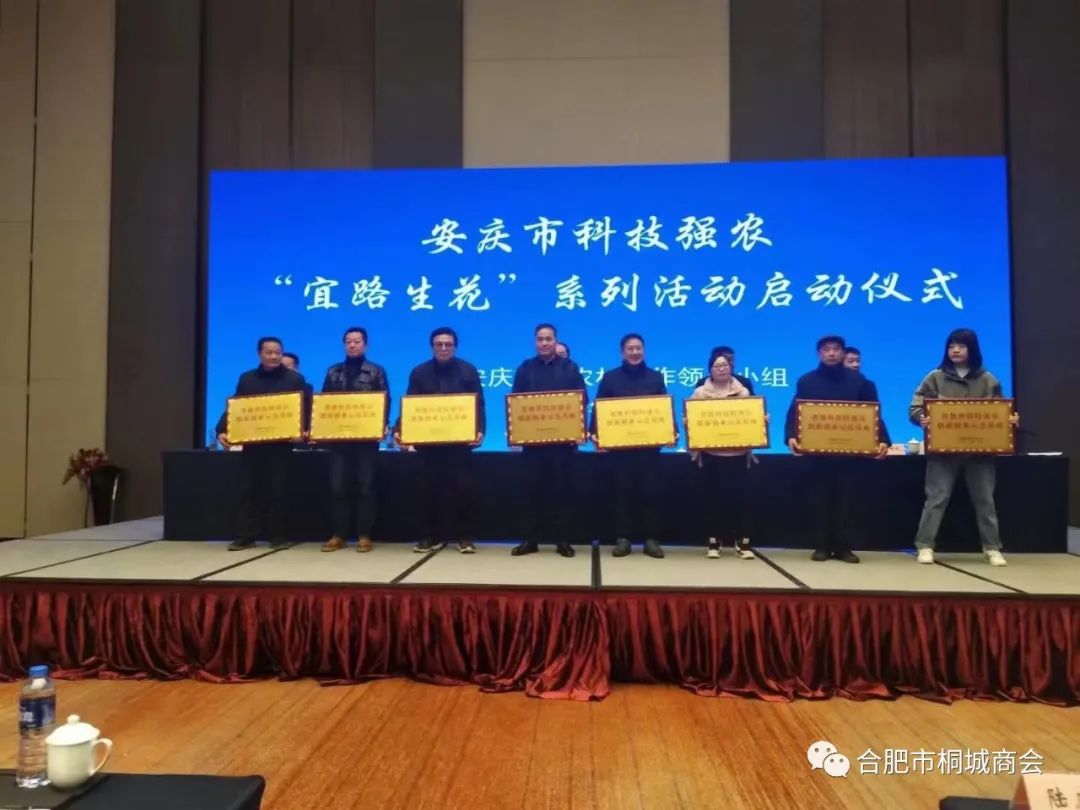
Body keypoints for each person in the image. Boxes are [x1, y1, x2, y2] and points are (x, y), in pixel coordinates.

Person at [909, 329, 1018, 566]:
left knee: (985, 501)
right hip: (943, 453)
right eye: (951, 346)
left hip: (980, 453)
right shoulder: (935, 377)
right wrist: (921, 418)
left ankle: (992, 548)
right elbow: (915, 408)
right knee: (936, 500)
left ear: (972, 349)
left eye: (961, 346)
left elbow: (1001, 410)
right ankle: (925, 546)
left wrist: (1009, 420)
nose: (955, 350)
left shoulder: (988, 379)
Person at [784, 335, 890, 564]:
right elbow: (795, 412)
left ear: (843, 353)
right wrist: (791, 435)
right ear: (819, 353)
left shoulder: (860, 382)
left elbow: (873, 414)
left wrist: (882, 439)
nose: (831, 353)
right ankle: (821, 546)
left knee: (847, 500)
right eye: (826, 349)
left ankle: (844, 547)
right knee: (819, 500)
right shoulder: (807, 381)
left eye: (835, 349)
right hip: (817, 454)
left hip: (848, 455)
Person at [395, 327, 485, 554]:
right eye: (439, 344)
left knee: (463, 491)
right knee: (428, 491)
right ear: (432, 346)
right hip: (429, 444)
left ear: (455, 347)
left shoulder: (468, 370)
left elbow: (479, 404)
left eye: (448, 344)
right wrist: (399, 429)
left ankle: (465, 537)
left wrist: (480, 430)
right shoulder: (419, 372)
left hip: (459, 443)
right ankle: (429, 537)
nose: (443, 348)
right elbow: (411, 404)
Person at [216, 337, 308, 551]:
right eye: (269, 352)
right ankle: (245, 536)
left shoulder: (294, 379)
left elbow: (305, 407)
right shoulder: (247, 379)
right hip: (253, 445)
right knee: (248, 491)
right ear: (260, 354)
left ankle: (278, 536)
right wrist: (222, 429)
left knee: (279, 491)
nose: (274, 356)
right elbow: (236, 407)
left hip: (281, 445)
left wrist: (303, 430)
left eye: (277, 352)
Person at [510, 323, 586, 558]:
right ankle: (530, 540)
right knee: (531, 493)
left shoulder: (570, 368)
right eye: (540, 339)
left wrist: (576, 428)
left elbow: (581, 400)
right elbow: (515, 402)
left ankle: (562, 540)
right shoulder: (525, 368)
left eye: (548, 339)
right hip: (533, 446)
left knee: (561, 493)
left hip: (561, 446)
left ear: (555, 341)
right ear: (535, 342)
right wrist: (516, 431)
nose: (544, 343)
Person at [592, 333, 669, 559]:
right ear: (622, 352)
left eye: (638, 348)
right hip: (620, 450)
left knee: (651, 494)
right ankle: (623, 538)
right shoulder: (610, 378)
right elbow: (599, 407)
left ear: (644, 350)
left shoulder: (655, 377)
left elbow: (663, 408)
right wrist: (596, 434)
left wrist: (670, 431)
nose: (635, 352)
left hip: (649, 449)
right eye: (630, 349)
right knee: (622, 494)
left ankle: (651, 540)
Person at [318, 327, 389, 553]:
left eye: (357, 341)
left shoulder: (376, 371)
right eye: (348, 341)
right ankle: (338, 535)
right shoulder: (333, 371)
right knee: (338, 488)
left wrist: (380, 425)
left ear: (365, 345)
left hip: (366, 441)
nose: (352, 345)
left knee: (366, 487)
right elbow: (324, 404)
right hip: (339, 441)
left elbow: (384, 403)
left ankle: (364, 535)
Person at [687, 349, 758, 560]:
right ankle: (713, 541)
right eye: (717, 366)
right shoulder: (700, 392)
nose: (721, 369)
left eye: (725, 365)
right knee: (712, 499)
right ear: (710, 369)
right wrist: (689, 422)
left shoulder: (743, 392)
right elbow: (691, 418)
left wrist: (760, 422)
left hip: (738, 454)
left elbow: (751, 419)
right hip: (711, 454)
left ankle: (742, 542)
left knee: (740, 499)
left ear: (731, 367)